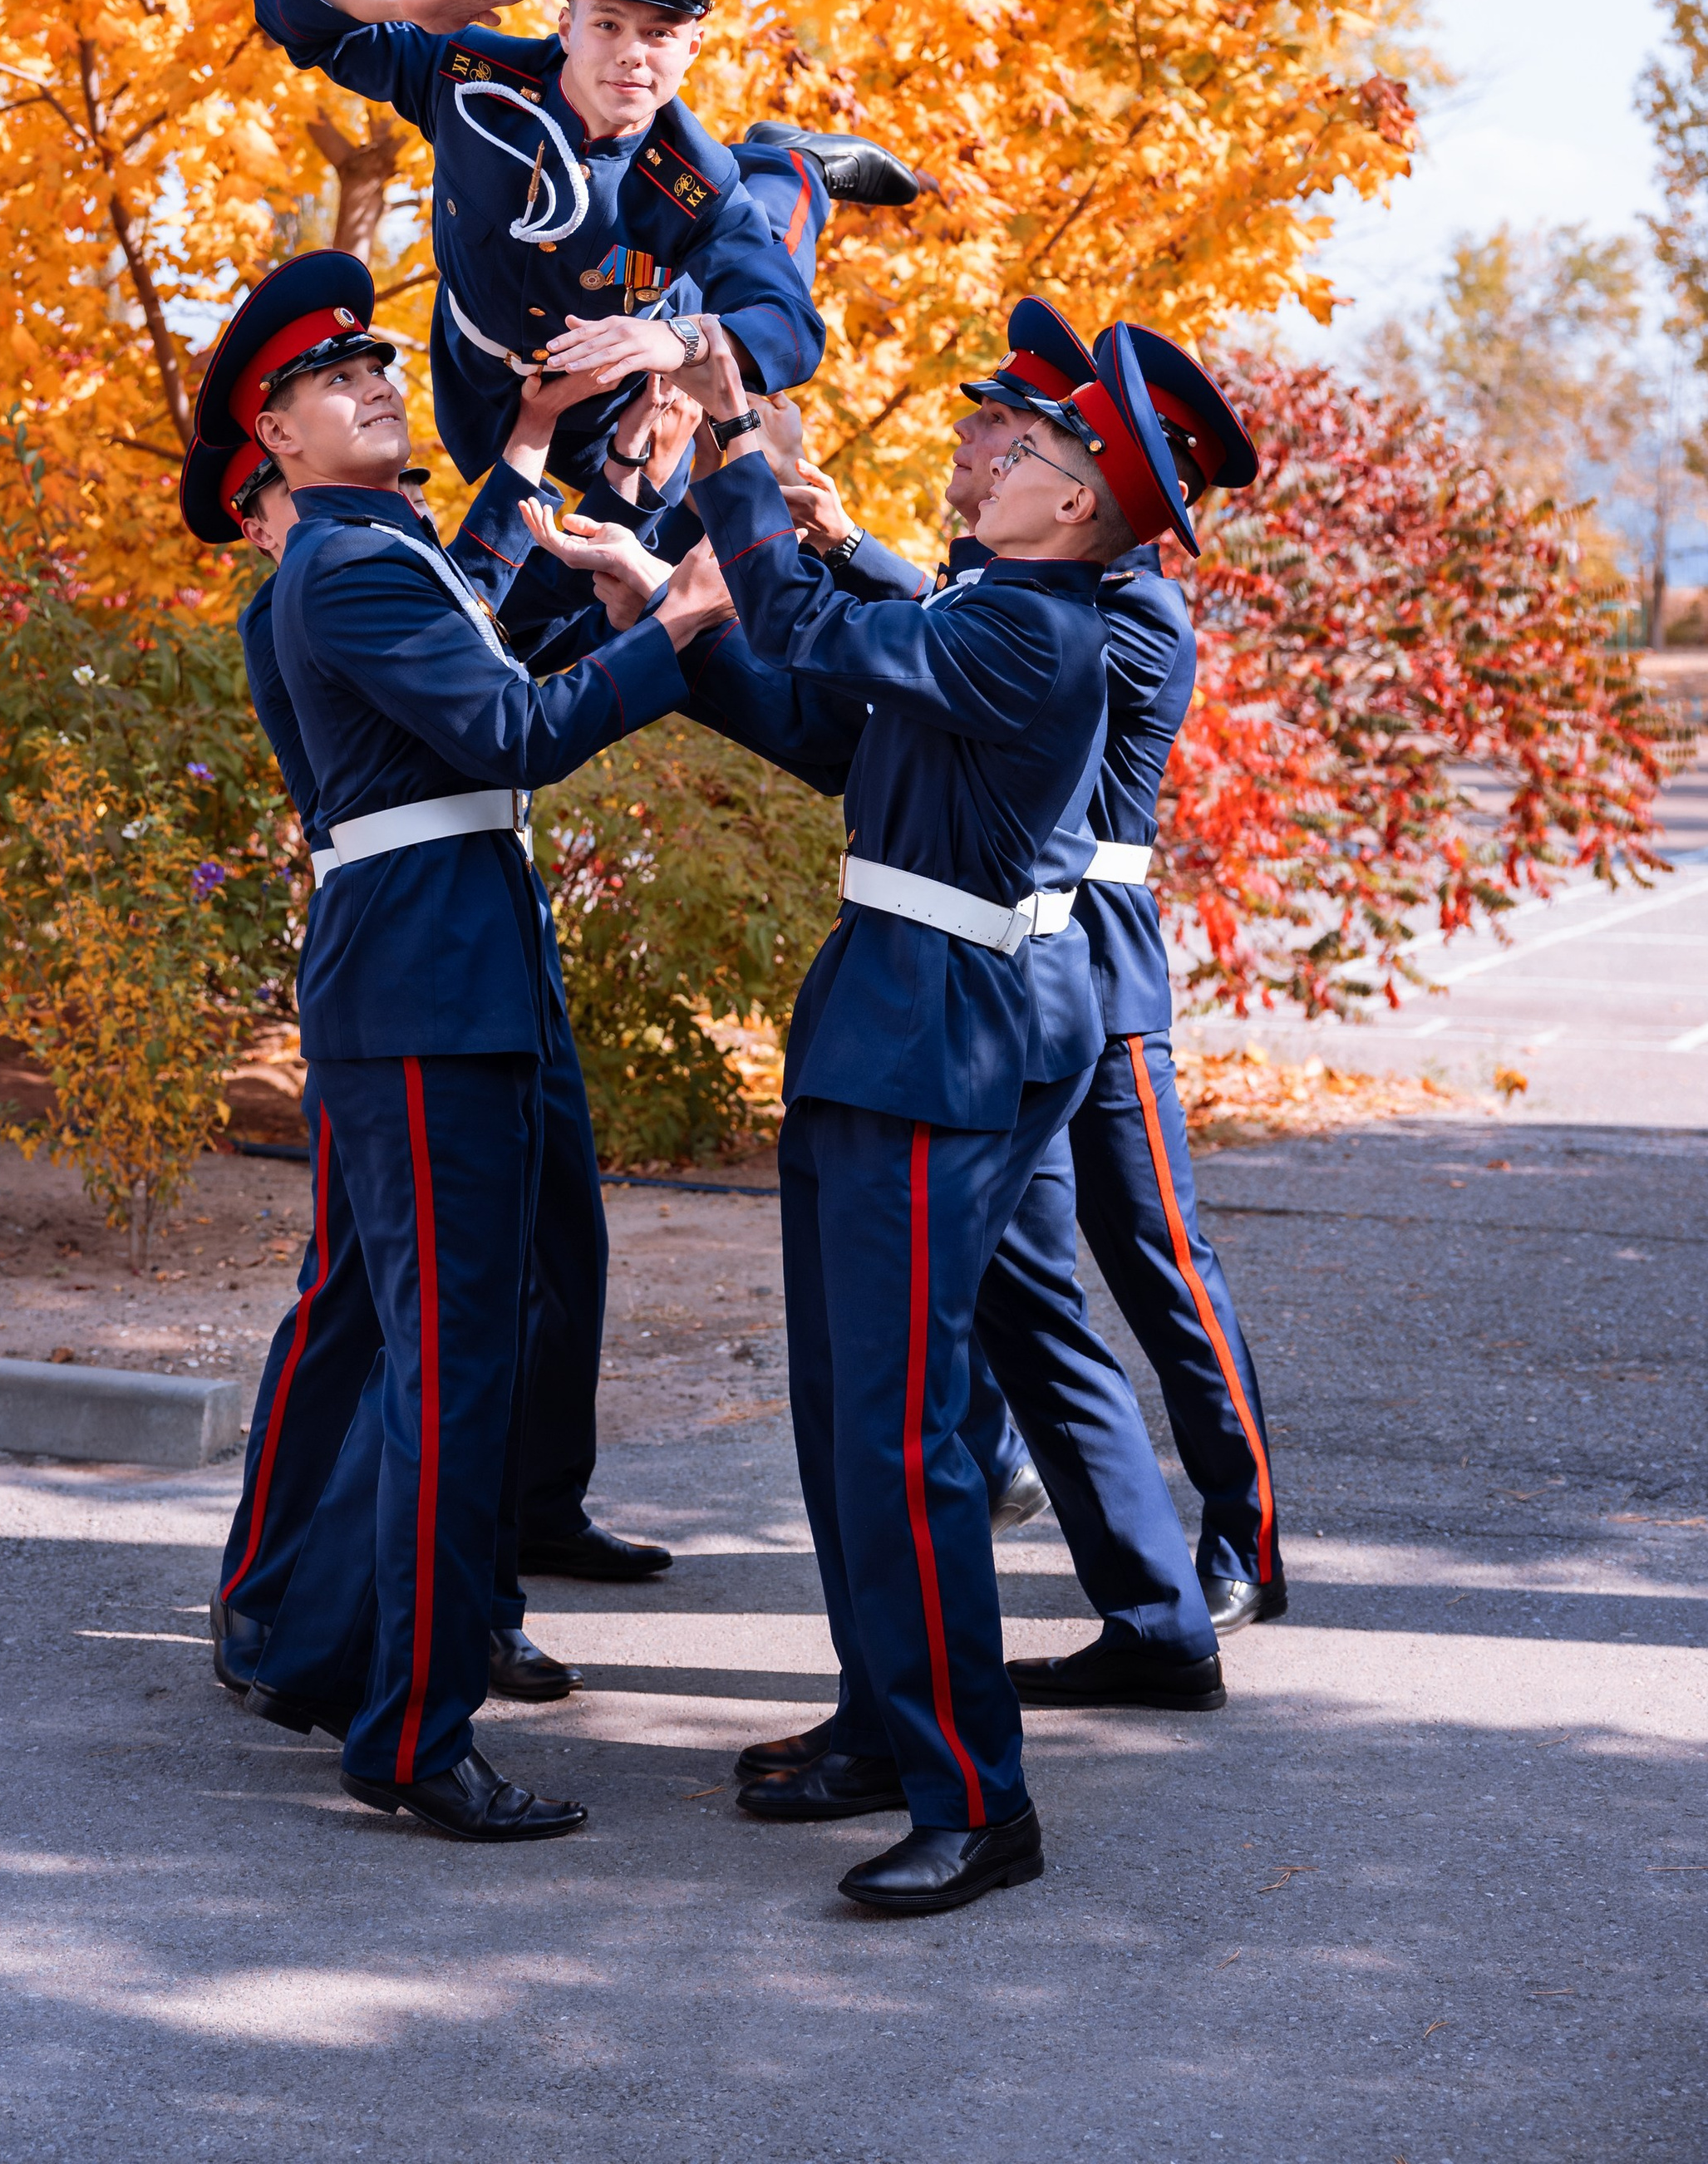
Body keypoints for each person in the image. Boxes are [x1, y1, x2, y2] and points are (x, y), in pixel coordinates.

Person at [673, 313, 1209, 1916]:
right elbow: (824, 727)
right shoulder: (986, 611)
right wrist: (668, 623)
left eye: (1030, 452)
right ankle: (883, 1719)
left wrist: (735, 436)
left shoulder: (1045, 633)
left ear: (1079, 511)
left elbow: (793, 603)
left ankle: (980, 1799)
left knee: (908, 1437)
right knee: (851, 1417)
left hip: (943, 1044)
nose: (998, 459)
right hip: (883, 1022)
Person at [229, 282, 725, 1842]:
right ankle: (414, 1733)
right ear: (276, 438)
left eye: (380, 364)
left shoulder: (385, 556)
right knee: (452, 1372)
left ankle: (324, 1652)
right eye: (336, 379)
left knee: (421, 1349)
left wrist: (532, 448)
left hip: (451, 974)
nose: (376, 383)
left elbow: (497, 606)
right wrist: (689, 627)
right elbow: (513, 732)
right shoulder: (344, 572)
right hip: (430, 991)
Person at [776, 300, 1287, 1656]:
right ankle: (1132, 1587)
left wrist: (833, 552)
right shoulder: (1044, 588)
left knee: (1160, 1262)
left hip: (1080, 962)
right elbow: (947, 630)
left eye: (1024, 433)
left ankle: (1243, 1530)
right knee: (1029, 1289)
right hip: (1034, 965)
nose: (988, 447)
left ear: (1113, 479)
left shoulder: (1123, 612)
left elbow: (961, 652)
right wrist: (854, 546)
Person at [250, 0, 919, 489]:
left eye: (660, 33)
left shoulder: (697, 179)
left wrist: (678, 341)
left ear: (693, 50)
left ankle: (790, 165)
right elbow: (291, 16)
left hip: (621, 394)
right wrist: (398, 0)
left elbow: (791, 328)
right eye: (607, 24)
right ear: (565, 25)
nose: (632, 52)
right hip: (480, 378)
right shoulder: (470, 81)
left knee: (675, 540)